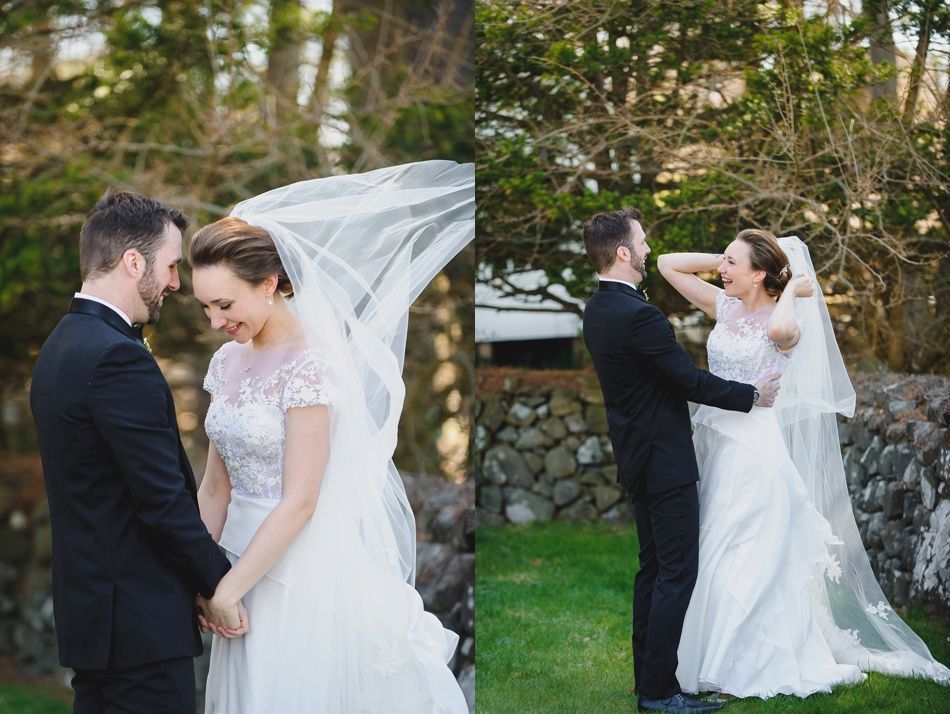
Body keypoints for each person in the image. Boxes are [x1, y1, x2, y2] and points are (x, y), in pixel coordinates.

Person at [189, 161, 473, 713]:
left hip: (296, 569)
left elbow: (301, 500)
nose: (213, 320)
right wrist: (202, 576)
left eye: (224, 304)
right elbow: (214, 489)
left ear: (269, 284)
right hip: (231, 567)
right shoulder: (226, 363)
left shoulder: (309, 368)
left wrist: (230, 588)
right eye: (204, 306)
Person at [659, 229, 950, 698]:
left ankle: (741, 664)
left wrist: (790, 288)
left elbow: (777, 333)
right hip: (715, 442)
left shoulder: (785, 317)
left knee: (745, 550)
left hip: (754, 451)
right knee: (712, 546)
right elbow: (668, 263)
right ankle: (704, 655)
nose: (722, 272)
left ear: (760, 274)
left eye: (734, 265)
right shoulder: (726, 304)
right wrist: (728, 256)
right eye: (724, 263)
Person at [29, 191, 242, 714]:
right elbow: (161, 501)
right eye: (170, 266)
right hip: (140, 628)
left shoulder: (61, 346)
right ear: (132, 262)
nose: (175, 282)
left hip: (97, 621)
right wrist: (220, 584)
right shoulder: (115, 358)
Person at [580, 209, 782, 714]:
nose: (648, 250)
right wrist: (750, 394)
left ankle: (646, 681)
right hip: (665, 459)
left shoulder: (599, 308)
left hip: (635, 455)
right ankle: (659, 692)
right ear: (623, 252)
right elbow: (687, 381)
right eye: (642, 243)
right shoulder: (639, 315)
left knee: (652, 572)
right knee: (675, 573)